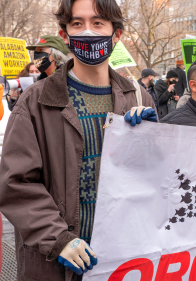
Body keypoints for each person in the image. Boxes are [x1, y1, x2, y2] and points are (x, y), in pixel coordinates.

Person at [0, 0, 156, 279]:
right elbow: (16, 183)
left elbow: (156, 182)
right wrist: (57, 238)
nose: (87, 32)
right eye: (77, 24)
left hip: (122, 260)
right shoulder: (35, 102)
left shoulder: (139, 97)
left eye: (97, 23)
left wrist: (154, 142)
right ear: (65, 35)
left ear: (116, 34)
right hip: (56, 265)